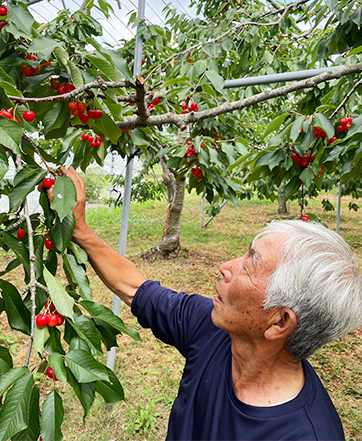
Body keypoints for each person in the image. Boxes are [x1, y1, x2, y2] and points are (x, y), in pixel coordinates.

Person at [56, 166, 362, 440]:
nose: (226, 266)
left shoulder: (306, 434)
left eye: (250, 265)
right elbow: (134, 288)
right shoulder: (212, 328)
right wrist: (81, 229)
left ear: (279, 322)